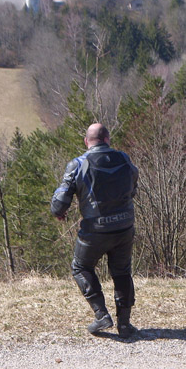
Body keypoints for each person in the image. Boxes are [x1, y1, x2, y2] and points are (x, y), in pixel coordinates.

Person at [51, 123, 139, 339]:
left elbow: (60, 201)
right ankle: (125, 325)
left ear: (86, 142)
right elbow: (133, 186)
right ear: (108, 139)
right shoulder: (125, 159)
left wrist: (59, 211)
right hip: (124, 227)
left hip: (95, 230)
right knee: (122, 272)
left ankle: (101, 315)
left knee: (81, 267)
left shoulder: (78, 164)